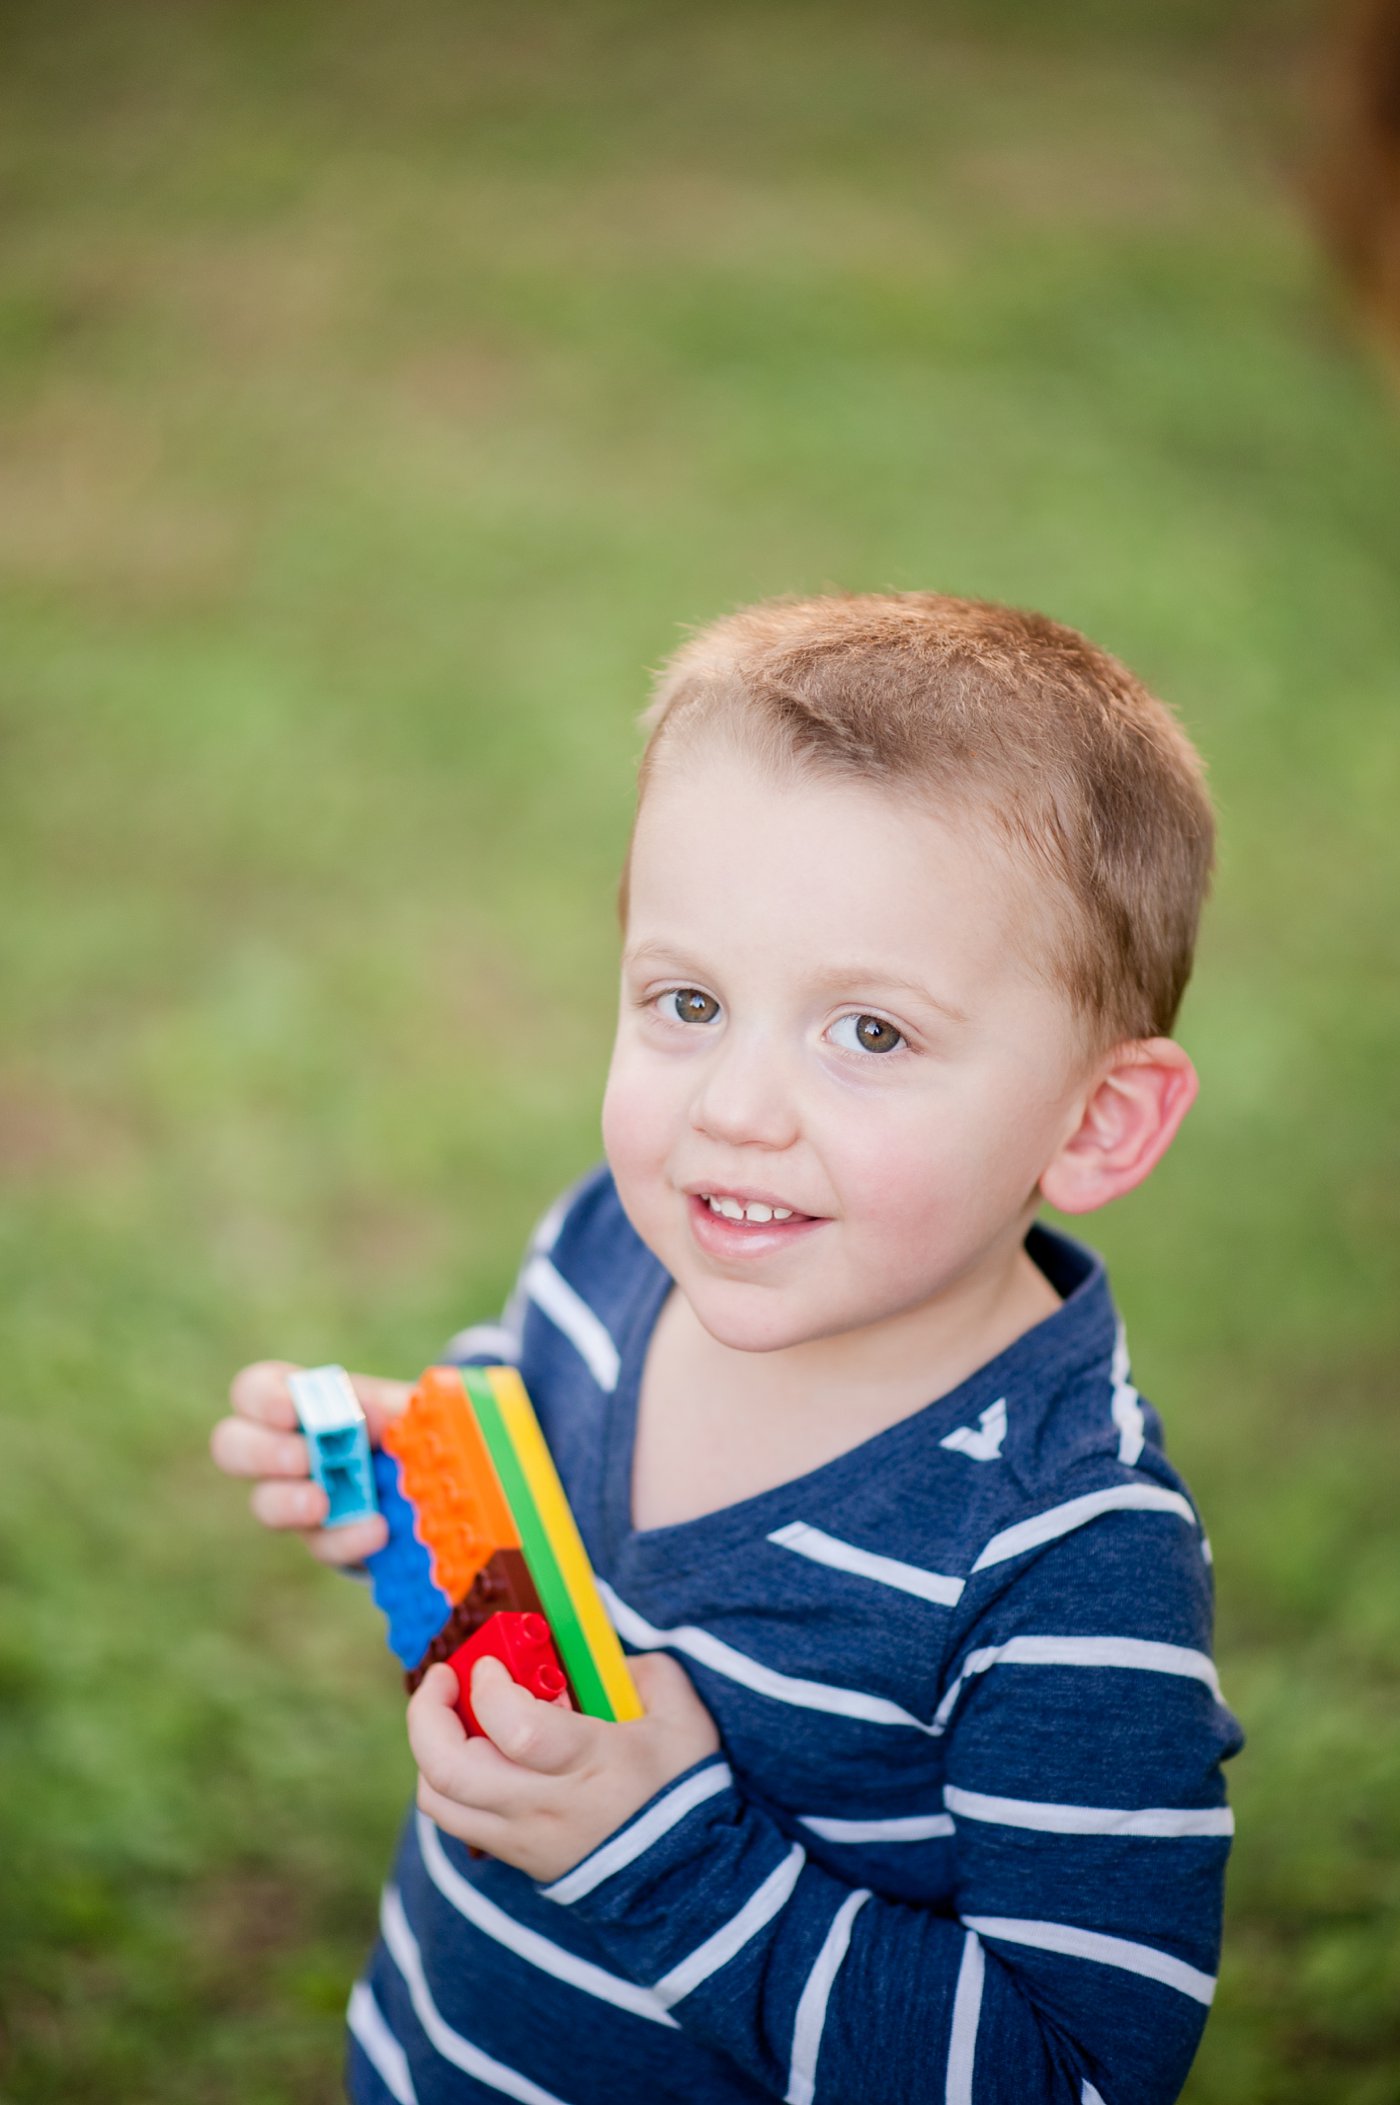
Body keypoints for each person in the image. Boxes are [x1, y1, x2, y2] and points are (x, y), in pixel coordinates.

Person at [211, 592, 1244, 2105]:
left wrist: (666, 1846)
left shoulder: (1065, 1555)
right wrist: (424, 1460)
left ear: (1096, 1120)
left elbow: (1073, 2075)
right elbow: (523, 1441)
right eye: (687, 1001)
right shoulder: (612, 1249)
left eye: (870, 1033)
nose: (733, 1111)